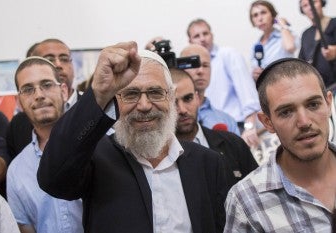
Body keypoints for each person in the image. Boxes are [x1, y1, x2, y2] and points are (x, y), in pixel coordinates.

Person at [37, 42, 231, 233]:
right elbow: (53, 180)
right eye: (131, 94)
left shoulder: (207, 163)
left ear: (171, 98)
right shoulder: (96, 159)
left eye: (155, 92)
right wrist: (98, 93)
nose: (144, 105)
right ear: (115, 100)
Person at [224, 58, 336, 232]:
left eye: (313, 104)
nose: (304, 122)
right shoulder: (247, 201)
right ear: (267, 122)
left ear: (328, 103)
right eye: (286, 112)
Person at [6, 57, 83, 233]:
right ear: (19, 102)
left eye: (47, 85)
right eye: (28, 89)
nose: (39, 95)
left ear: (64, 91)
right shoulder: (16, 172)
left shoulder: (99, 146)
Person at [171, 68, 258, 183]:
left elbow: (259, 191)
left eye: (188, 99)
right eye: (173, 103)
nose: (182, 110)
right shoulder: (158, 157)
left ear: (197, 98)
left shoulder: (233, 144)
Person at [186, 18, 261, 147]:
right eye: (197, 36)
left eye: (205, 33)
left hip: (237, 128)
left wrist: (249, 128)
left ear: (212, 35)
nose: (202, 39)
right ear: (190, 41)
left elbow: (247, 94)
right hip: (206, 132)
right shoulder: (188, 66)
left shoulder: (228, 55)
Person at [6, 38, 82, 159]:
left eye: (64, 59)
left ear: (63, 91)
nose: (58, 64)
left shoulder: (96, 107)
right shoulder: (18, 126)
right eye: (49, 60)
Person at [179, 44, 240, 136]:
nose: (200, 71)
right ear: (180, 68)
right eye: (194, 64)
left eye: (205, 65)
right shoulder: (170, 119)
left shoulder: (227, 121)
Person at [249, 0, 298, 81]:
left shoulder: (285, 34)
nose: (260, 18)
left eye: (263, 12)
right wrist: (254, 75)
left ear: (272, 15)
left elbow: (290, 47)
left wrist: (283, 25)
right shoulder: (255, 46)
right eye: (255, 15)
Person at [299, 0, 336, 88]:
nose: (310, 7)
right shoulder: (306, 34)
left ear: (321, 3)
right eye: (305, 5)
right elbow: (302, 61)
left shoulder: (334, 23)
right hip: (319, 88)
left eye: (314, 2)